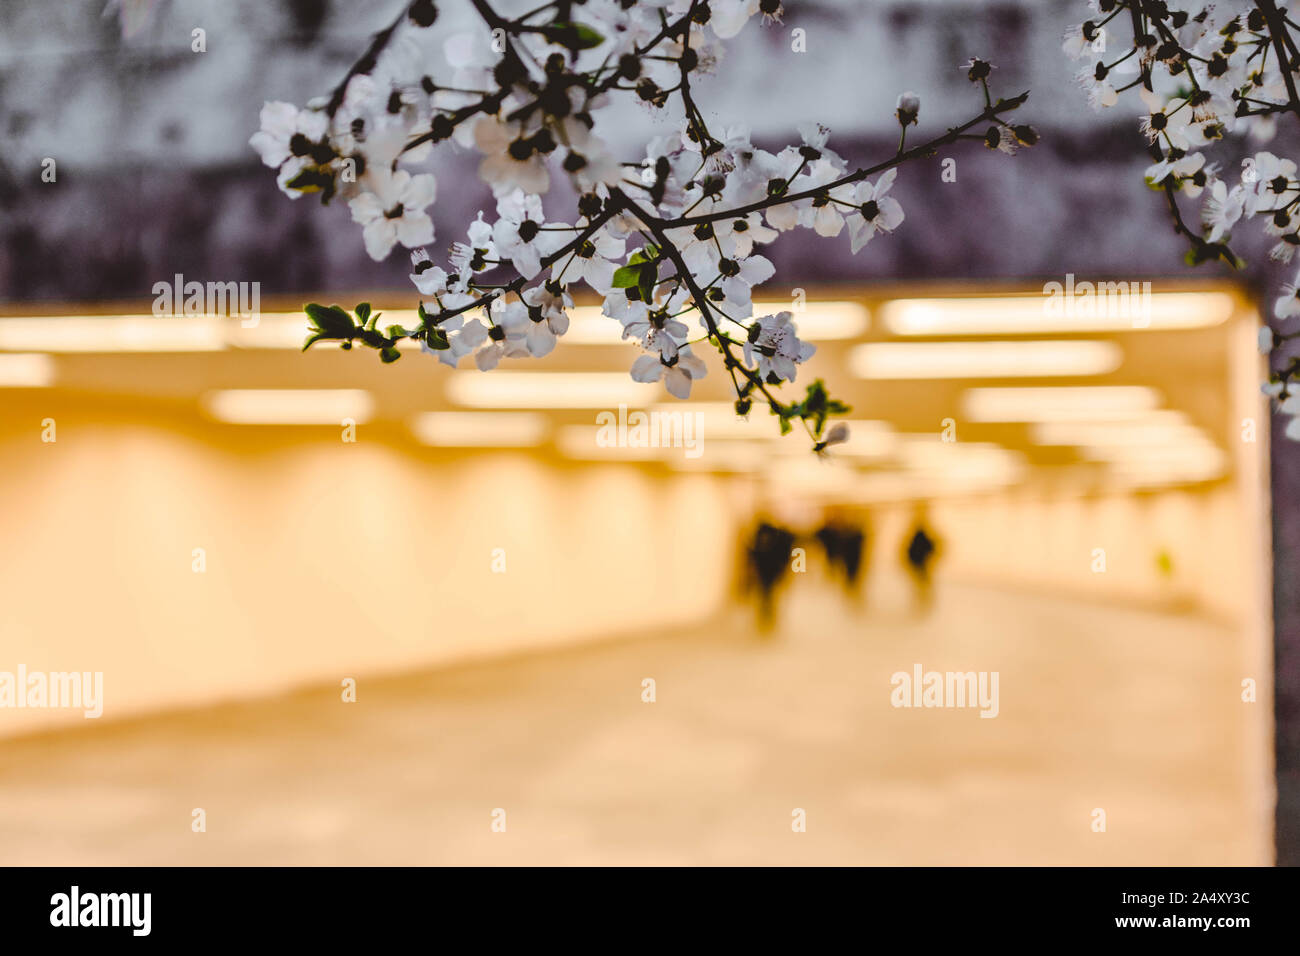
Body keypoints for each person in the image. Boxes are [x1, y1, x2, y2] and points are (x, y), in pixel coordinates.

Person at [903, 511, 939, 612]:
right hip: (921, 565)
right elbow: (933, 547)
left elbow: (908, 552)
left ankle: (922, 601)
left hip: (919, 565)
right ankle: (923, 601)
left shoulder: (915, 538)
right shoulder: (922, 538)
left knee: (921, 584)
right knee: (923, 583)